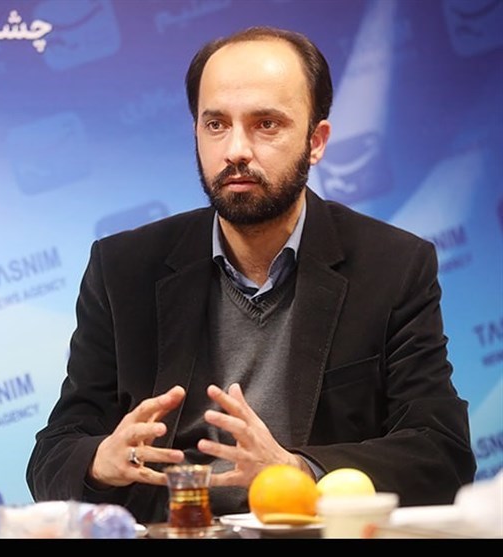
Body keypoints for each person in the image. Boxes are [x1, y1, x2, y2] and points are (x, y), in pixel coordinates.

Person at [25, 25, 476, 525]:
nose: (236, 149)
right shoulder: (123, 268)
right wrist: (100, 460)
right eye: (216, 124)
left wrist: (297, 472)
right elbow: (52, 455)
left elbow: (441, 453)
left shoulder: (392, 266)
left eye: (266, 124)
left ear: (316, 141)